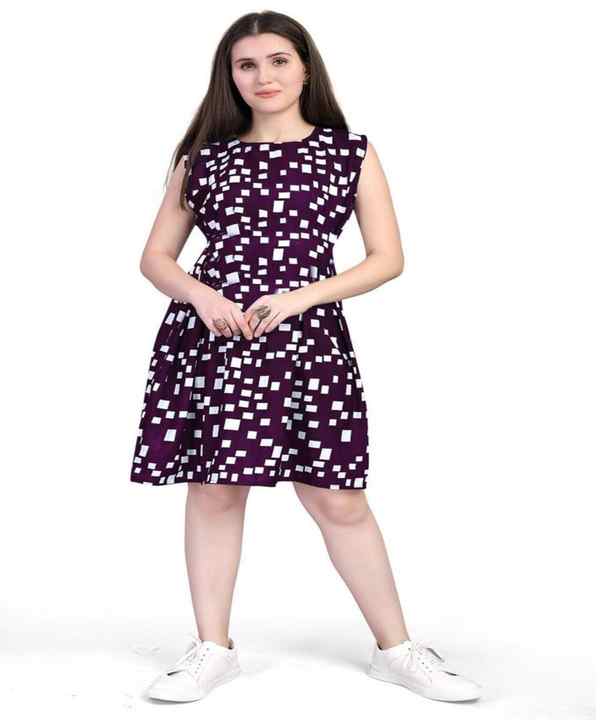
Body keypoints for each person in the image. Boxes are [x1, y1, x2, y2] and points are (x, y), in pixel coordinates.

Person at [130, 10, 482, 705]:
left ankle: (397, 650)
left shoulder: (349, 152)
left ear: (305, 68)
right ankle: (212, 649)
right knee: (215, 488)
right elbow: (156, 257)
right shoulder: (203, 158)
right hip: (217, 340)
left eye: (278, 61)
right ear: (230, 77)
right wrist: (202, 296)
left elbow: (387, 258)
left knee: (336, 495)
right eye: (247, 64)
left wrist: (299, 299)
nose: (263, 76)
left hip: (308, 342)